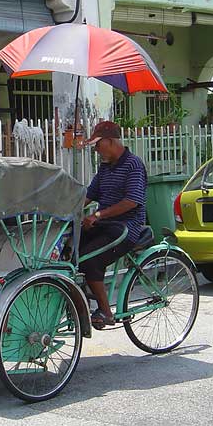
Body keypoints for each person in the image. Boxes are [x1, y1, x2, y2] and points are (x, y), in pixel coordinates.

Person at [79, 121, 147, 329]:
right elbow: (89, 195)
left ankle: (106, 312)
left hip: (126, 227)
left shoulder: (134, 165)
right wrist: (67, 210)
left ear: (110, 141)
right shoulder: (105, 168)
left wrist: (98, 214)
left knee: (89, 259)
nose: (96, 150)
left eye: (98, 145)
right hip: (105, 225)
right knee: (69, 249)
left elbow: (132, 201)